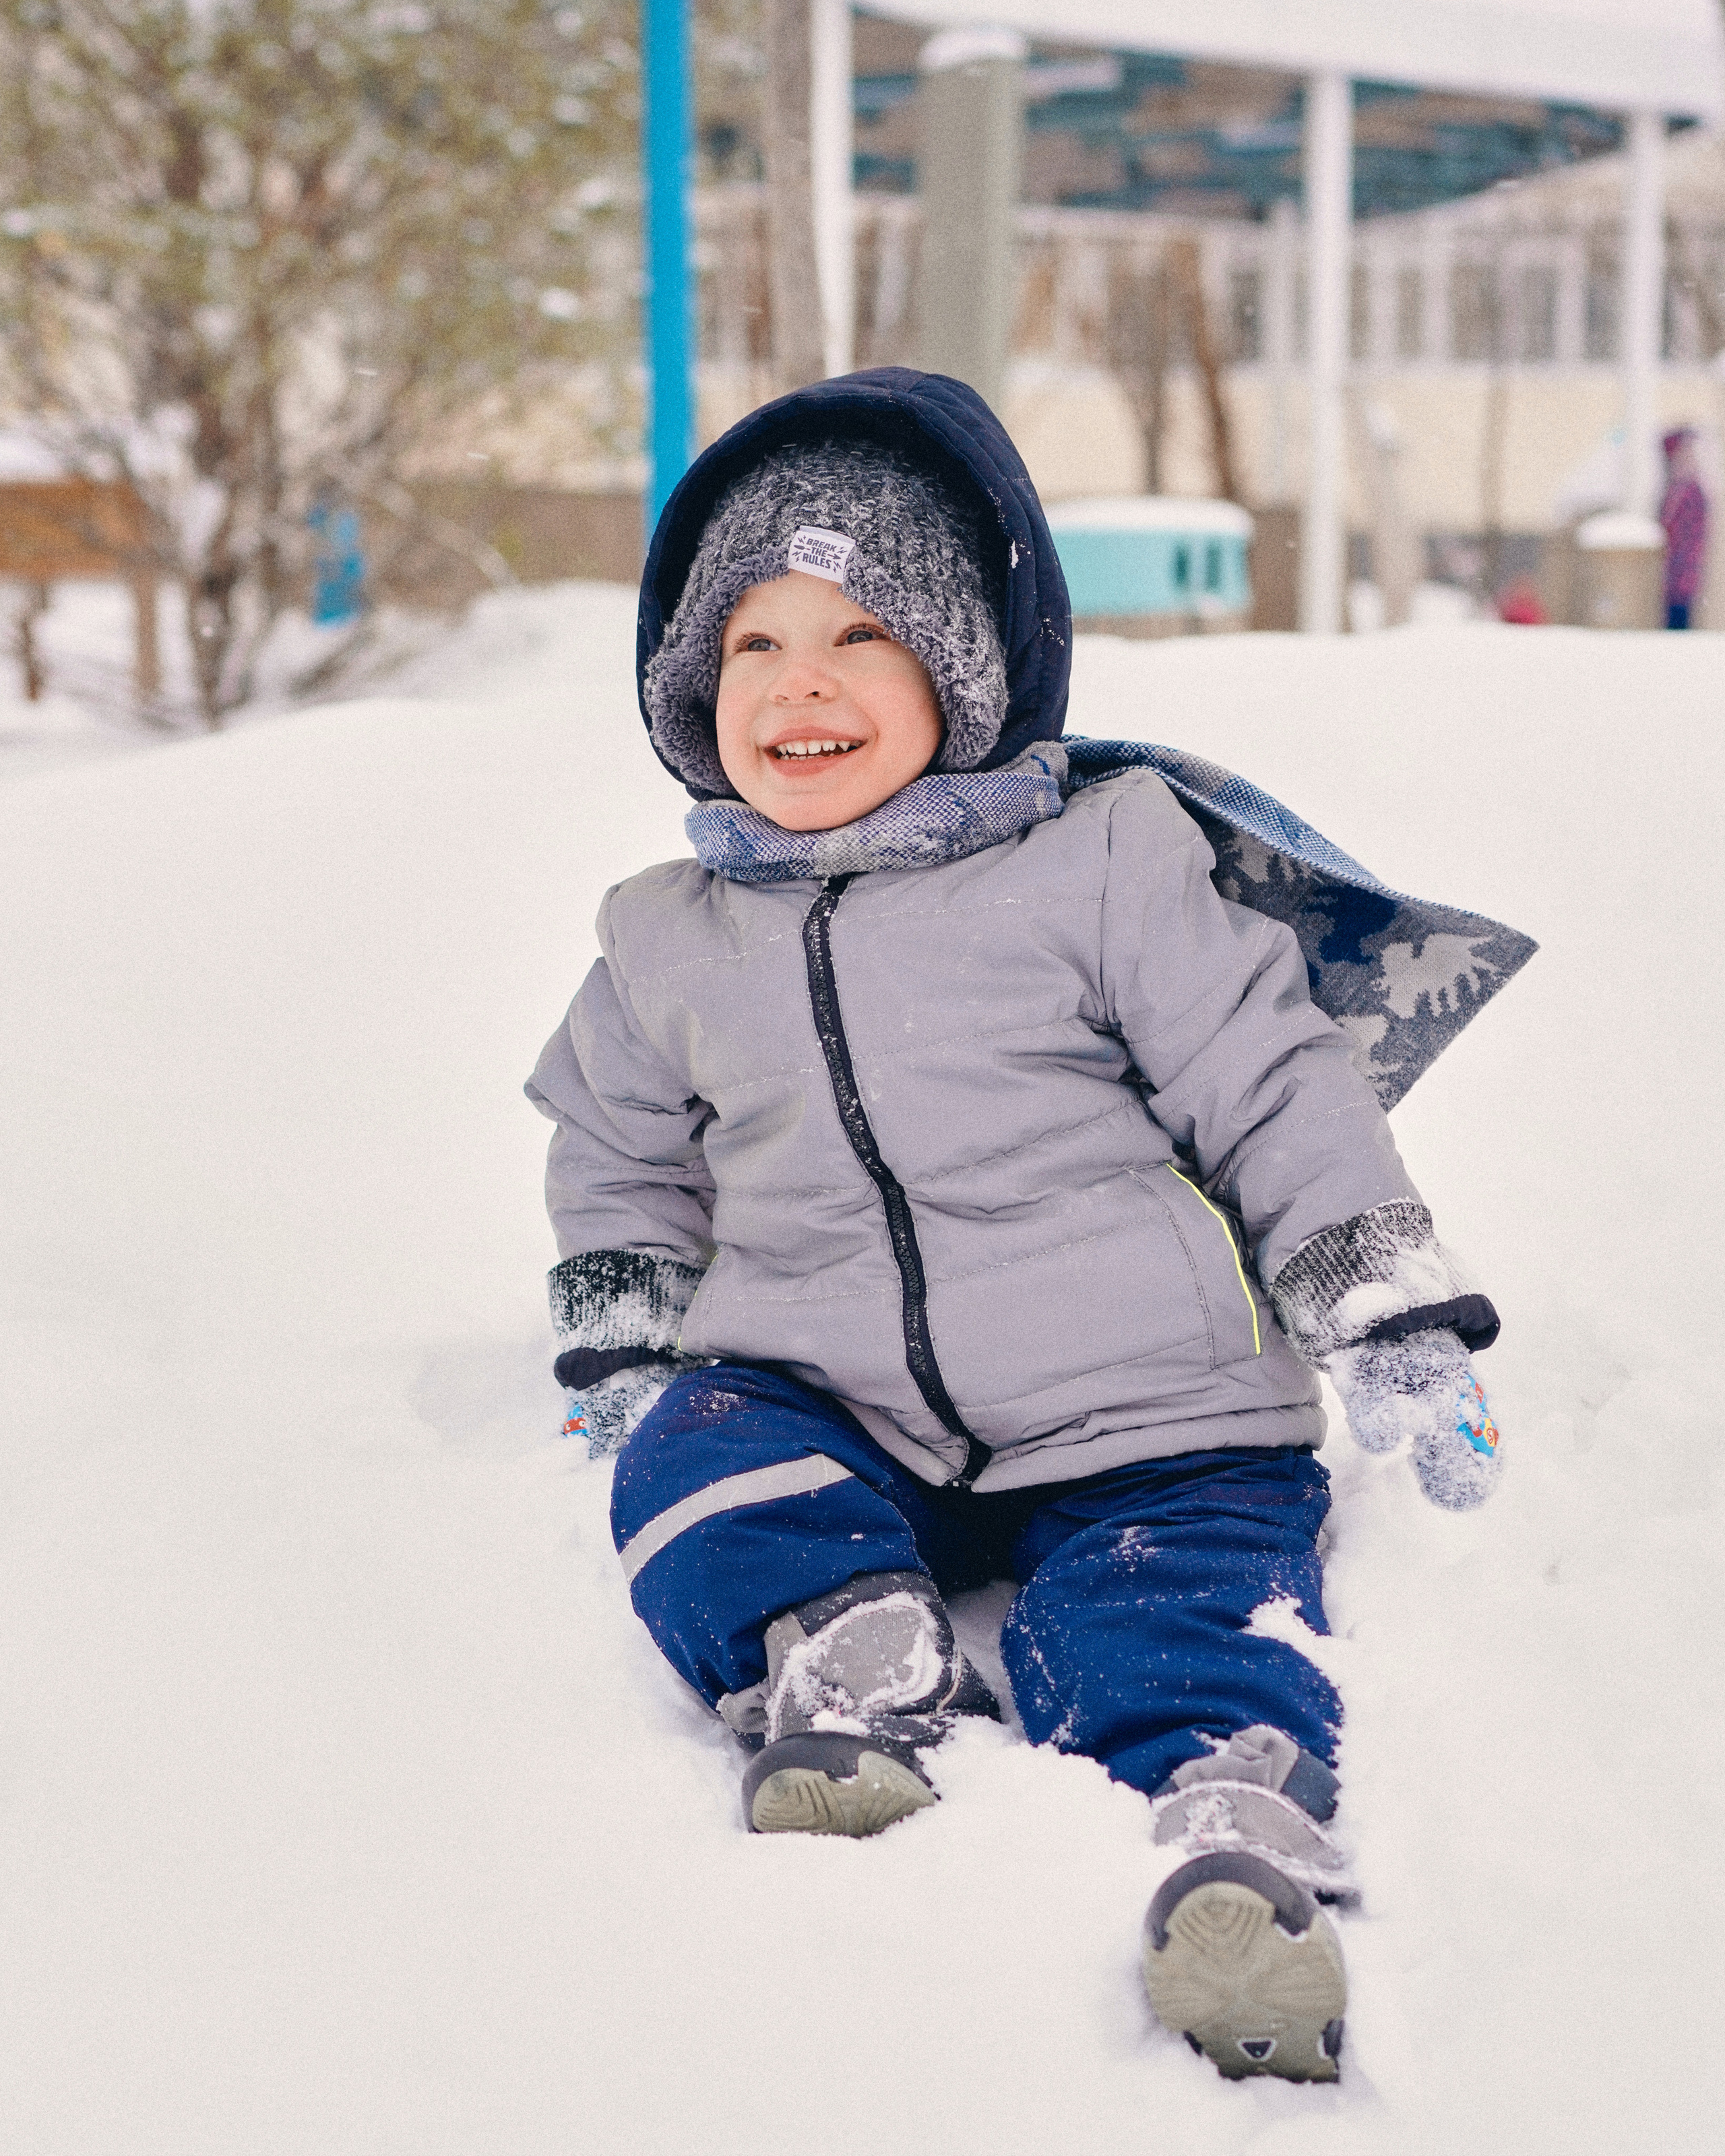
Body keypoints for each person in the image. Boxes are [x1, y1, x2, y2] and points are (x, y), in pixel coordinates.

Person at [526, 371, 1509, 2086]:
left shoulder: (1102, 861)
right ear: (692, 686)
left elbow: (1268, 1081)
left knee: (1158, 1608)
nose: (800, 685)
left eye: (860, 638)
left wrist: (1372, 1294)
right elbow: (614, 1146)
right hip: (840, 1399)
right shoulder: (663, 935)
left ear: (963, 671)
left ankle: (1231, 1824)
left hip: (1151, 1414)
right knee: (692, 1460)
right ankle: (843, 1650)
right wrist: (622, 1322)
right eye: (752, 645)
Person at [1660, 426, 1708, 630]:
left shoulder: (1693, 493)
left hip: (1684, 573)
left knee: (1680, 622)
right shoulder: (1673, 491)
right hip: (1671, 574)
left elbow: (1691, 536)